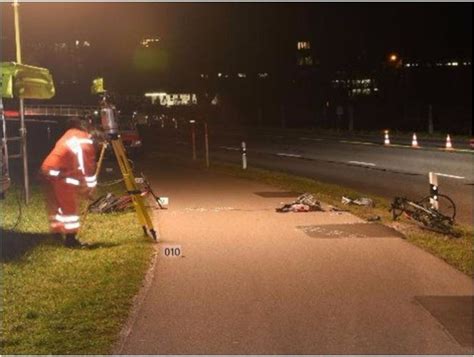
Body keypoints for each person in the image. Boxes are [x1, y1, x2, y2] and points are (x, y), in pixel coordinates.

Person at [41, 117, 97, 248]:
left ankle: (56, 233)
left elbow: (71, 159)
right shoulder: (84, 139)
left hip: (47, 170)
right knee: (69, 206)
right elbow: (86, 165)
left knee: (56, 204)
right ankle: (71, 240)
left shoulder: (69, 135)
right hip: (60, 174)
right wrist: (89, 186)